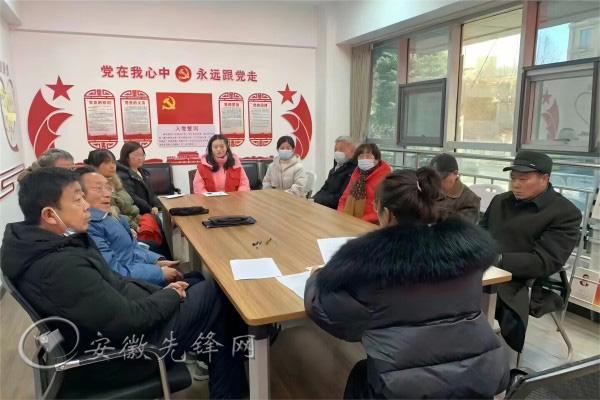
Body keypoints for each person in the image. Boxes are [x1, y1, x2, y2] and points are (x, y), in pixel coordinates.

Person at [0, 168, 248, 398]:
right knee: (217, 291)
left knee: (214, 308)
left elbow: (115, 284)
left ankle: (232, 386)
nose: (86, 205)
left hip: (119, 332)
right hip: (125, 355)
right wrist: (170, 295)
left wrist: (161, 291)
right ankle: (240, 371)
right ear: (49, 215)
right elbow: (130, 319)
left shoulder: (42, 246)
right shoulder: (59, 267)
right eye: (77, 200)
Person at [305, 167, 509, 399]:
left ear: (387, 213)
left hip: (409, 391)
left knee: (361, 374)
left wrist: (317, 277)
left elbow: (328, 312)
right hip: (480, 380)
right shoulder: (466, 254)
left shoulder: (373, 266)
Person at [480, 150, 582, 353]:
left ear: (544, 179)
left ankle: (477, 353)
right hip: (485, 267)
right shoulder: (500, 201)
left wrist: (498, 259)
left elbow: (545, 261)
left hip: (519, 279)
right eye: (513, 178)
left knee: (461, 298)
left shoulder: (565, 213)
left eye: (523, 179)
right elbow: (479, 234)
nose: (515, 185)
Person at [77, 167, 181, 286]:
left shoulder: (110, 215)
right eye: (98, 188)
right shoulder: (89, 226)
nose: (107, 194)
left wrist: (157, 262)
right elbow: (115, 272)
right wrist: (159, 273)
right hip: (130, 285)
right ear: (79, 195)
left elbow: (132, 250)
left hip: (136, 274)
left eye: (108, 187)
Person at [84, 149, 141, 231]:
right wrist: (135, 227)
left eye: (113, 162)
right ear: (94, 167)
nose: (112, 166)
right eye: (106, 163)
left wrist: (140, 220)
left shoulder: (116, 183)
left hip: (136, 222)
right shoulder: (94, 191)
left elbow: (130, 207)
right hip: (124, 228)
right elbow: (116, 217)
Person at [337, 143, 391, 223]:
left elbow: (383, 209)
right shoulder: (356, 174)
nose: (364, 159)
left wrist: (359, 221)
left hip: (372, 223)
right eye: (360, 157)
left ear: (377, 159)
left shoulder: (385, 178)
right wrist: (341, 213)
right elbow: (344, 198)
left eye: (368, 156)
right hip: (349, 219)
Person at [430, 153, 481, 223]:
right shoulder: (428, 189)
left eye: (440, 178)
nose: (435, 182)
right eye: (433, 177)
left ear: (455, 174)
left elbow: (461, 227)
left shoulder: (469, 200)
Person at [116, 141, 161, 215]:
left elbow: (150, 193)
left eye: (142, 155)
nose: (140, 158)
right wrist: (149, 208)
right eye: (136, 155)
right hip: (136, 214)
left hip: (149, 211)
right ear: (126, 156)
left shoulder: (143, 172)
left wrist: (156, 206)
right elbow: (131, 196)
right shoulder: (121, 174)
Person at [313, 136, 357, 209]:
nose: (337, 152)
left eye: (341, 149)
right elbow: (324, 189)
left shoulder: (354, 171)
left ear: (353, 152)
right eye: (335, 149)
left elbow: (339, 198)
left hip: (336, 210)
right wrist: (313, 198)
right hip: (323, 206)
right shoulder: (334, 169)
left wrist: (316, 200)